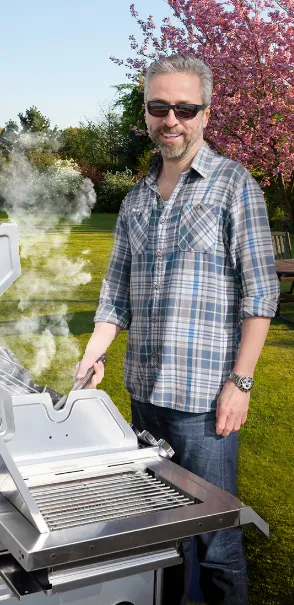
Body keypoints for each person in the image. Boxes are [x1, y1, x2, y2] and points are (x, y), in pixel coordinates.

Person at [77, 54, 280, 605]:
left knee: (215, 540)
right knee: (166, 536)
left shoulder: (234, 186)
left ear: (206, 114)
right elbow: (114, 298)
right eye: (159, 107)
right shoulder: (137, 200)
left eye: (185, 109)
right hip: (144, 396)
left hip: (205, 403)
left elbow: (261, 295)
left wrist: (240, 383)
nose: (172, 120)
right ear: (145, 112)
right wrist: (93, 355)